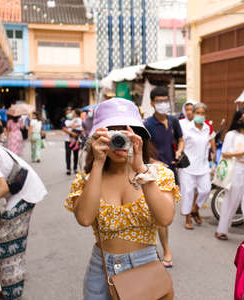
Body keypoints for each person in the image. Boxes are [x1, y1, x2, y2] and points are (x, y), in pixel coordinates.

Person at [64, 98, 179, 300]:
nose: (119, 142)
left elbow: (165, 219)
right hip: (101, 271)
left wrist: (141, 169)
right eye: (111, 133)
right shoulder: (88, 179)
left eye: (125, 133)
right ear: (98, 137)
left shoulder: (157, 174)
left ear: (139, 136)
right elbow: (84, 219)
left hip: (146, 268)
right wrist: (98, 164)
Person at [0, 143, 47, 300]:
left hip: (25, 193)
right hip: (24, 190)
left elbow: (2, 188)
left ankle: (11, 295)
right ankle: (9, 291)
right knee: (8, 243)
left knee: (6, 244)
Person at [144, 86, 183, 268]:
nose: (163, 104)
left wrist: (180, 151)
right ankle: (165, 250)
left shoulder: (173, 121)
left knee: (166, 215)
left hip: (172, 172)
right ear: (152, 103)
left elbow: (180, 139)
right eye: (159, 101)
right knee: (161, 217)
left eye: (165, 100)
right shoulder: (147, 125)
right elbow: (143, 151)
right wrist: (154, 161)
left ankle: (152, 247)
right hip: (155, 174)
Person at [215, 108, 244, 240]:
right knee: (231, 200)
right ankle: (222, 230)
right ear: (237, 119)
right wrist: (241, 153)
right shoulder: (231, 135)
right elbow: (225, 153)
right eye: (242, 118)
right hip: (236, 170)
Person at [178, 103, 212, 230]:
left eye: (203, 113)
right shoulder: (186, 128)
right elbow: (181, 143)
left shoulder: (207, 128)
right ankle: (188, 218)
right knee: (188, 193)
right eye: (198, 113)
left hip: (203, 166)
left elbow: (208, 145)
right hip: (187, 167)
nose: (200, 116)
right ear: (193, 113)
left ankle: (195, 209)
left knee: (206, 190)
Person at [62, 108, 80, 175]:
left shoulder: (76, 120)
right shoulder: (64, 120)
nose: (69, 114)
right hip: (67, 140)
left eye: (70, 113)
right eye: (67, 113)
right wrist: (72, 133)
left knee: (76, 155)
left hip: (76, 140)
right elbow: (64, 128)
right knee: (68, 154)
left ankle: (75, 168)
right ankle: (68, 169)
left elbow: (80, 127)